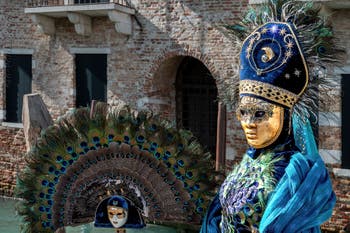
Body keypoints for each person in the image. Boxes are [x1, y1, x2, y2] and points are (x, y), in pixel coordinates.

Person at [200, 0, 338, 232]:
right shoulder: (249, 161)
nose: (249, 124)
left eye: (260, 114)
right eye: (243, 112)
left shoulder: (299, 176)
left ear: (287, 114)